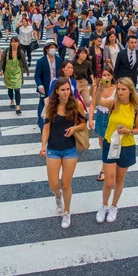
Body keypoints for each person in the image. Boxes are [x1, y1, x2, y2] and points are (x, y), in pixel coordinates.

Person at [94, 76, 138, 223]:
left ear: (130, 91)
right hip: (110, 144)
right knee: (109, 181)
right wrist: (100, 89)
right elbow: (99, 102)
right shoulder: (113, 103)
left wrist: (128, 131)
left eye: (123, 89)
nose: (120, 92)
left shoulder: (136, 108)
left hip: (126, 146)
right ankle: (104, 205)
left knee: (120, 180)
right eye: (119, 89)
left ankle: (114, 206)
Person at [40, 77, 86, 229]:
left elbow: (83, 123)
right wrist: (43, 146)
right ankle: (57, 197)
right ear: (57, 92)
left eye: (68, 89)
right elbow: (46, 128)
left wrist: (74, 128)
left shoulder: (76, 104)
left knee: (66, 184)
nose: (66, 92)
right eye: (63, 90)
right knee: (53, 185)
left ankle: (67, 211)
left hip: (70, 150)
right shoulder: (50, 106)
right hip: (53, 149)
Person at [0, 37, 30, 115]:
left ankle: (18, 106)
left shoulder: (21, 52)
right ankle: (12, 100)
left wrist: (27, 71)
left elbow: (24, 62)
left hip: (17, 73)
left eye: (16, 42)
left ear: (18, 43)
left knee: (17, 90)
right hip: (8, 73)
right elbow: (2, 61)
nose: (14, 44)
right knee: (10, 89)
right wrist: (0, 70)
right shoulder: (6, 51)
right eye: (12, 42)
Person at [35, 40, 62, 130]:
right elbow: (37, 75)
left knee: (55, 103)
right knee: (42, 103)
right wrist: (40, 85)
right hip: (45, 87)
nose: (53, 49)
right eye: (51, 47)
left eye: (54, 47)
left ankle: (53, 120)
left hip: (56, 86)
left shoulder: (59, 60)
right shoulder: (41, 61)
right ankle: (40, 119)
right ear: (46, 49)